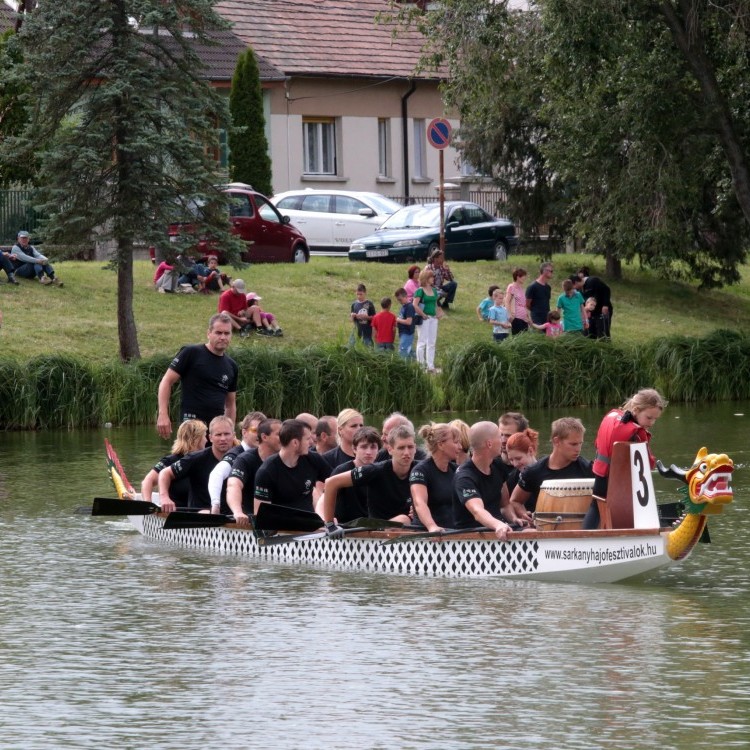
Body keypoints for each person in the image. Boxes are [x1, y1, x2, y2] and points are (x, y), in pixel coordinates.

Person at [583, 388, 667, 528]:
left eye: (655, 419)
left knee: (596, 508)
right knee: (632, 509)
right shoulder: (637, 433)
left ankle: (585, 540)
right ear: (636, 409)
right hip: (619, 482)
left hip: (600, 474)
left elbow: (597, 443)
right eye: (649, 417)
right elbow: (649, 463)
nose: (651, 423)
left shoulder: (611, 417)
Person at [156, 313, 238, 438]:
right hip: (191, 426)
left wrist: (229, 431)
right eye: (218, 333)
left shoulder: (232, 365)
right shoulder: (191, 353)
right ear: (209, 333)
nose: (223, 337)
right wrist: (163, 414)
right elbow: (166, 381)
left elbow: (230, 404)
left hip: (216, 431)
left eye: (227, 333)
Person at [321, 423, 418, 525]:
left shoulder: (421, 469)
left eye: (410, 447)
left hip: (405, 529)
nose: (407, 453)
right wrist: (329, 523)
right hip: (374, 532)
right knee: (403, 520)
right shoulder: (375, 470)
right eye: (401, 448)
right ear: (390, 449)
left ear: (415, 448)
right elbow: (330, 483)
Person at [509, 417, 593, 515]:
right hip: (545, 527)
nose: (578, 449)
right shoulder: (534, 471)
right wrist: (524, 516)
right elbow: (515, 501)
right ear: (556, 441)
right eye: (573, 444)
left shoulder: (588, 468)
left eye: (580, 444)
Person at [452, 421, 520, 539]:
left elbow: (504, 506)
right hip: (472, 538)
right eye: (500, 437)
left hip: (498, 530)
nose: (504, 441)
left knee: (529, 529)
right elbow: (478, 511)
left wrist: (514, 519)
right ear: (489, 444)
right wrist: (498, 525)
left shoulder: (498, 466)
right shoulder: (464, 477)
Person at [158, 415, 237, 511]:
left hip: (233, 515)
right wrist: (164, 497)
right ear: (210, 438)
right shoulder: (195, 458)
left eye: (227, 434)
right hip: (200, 516)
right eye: (218, 435)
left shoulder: (242, 457)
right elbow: (165, 473)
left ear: (233, 435)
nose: (223, 439)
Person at [253, 418, 332, 514]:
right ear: (295, 443)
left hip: (310, 524)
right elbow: (260, 514)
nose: (311, 442)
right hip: (281, 526)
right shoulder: (267, 471)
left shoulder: (313, 459)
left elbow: (334, 481)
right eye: (307, 439)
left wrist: (326, 515)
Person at [225, 418, 282, 525]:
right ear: (264, 437)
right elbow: (233, 485)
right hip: (249, 522)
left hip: (280, 520)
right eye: (279, 434)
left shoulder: (284, 459)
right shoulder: (245, 459)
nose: (284, 438)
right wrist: (237, 512)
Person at [208, 411, 267, 513]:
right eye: (255, 430)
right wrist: (215, 505)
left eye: (262, 431)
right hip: (234, 520)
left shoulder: (267, 455)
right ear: (244, 433)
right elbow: (216, 474)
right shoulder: (236, 455)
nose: (259, 435)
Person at [321, 426, 382, 523]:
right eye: (364, 447)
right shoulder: (342, 470)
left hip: (372, 527)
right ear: (354, 449)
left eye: (373, 447)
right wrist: (325, 520)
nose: (368, 452)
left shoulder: (382, 471)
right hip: (345, 527)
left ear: (378, 450)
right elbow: (323, 500)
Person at [140, 419, 208, 504]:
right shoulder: (170, 461)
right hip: (175, 512)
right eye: (204, 436)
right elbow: (147, 482)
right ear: (197, 439)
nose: (206, 440)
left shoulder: (206, 460)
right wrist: (147, 504)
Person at [410, 422, 462, 531]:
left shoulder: (457, 470)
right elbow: (420, 503)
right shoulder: (420, 471)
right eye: (456, 442)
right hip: (428, 535)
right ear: (441, 445)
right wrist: (432, 526)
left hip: (453, 532)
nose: (460, 447)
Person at [414, 267, 443, 374]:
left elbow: (435, 304)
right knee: (422, 342)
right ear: (426, 278)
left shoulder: (434, 291)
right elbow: (415, 305)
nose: (433, 279)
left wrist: (439, 313)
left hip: (433, 318)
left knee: (432, 342)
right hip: (424, 319)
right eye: (431, 277)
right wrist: (423, 314)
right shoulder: (420, 291)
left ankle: (430, 365)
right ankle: (421, 366)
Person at [575, 267, 613, 338]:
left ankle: (604, 346)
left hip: (602, 311)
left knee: (603, 333)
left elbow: (606, 289)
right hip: (591, 313)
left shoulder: (593, 281)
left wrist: (605, 305)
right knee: (589, 334)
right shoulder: (579, 290)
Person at [504, 428, 540, 497]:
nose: (515, 464)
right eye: (511, 460)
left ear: (530, 451)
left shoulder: (546, 470)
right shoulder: (511, 479)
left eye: (518, 458)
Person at [526, 261, 553, 329]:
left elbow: (547, 302)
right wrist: (535, 311)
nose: (552, 273)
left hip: (547, 318)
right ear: (544, 271)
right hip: (536, 318)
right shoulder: (532, 287)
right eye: (551, 271)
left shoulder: (548, 287)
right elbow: (527, 304)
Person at [505, 268, 529, 335]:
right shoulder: (511, 287)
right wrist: (509, 314)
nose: (525, 278)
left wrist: (527, 316)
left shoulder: (522, 288)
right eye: (524, 276)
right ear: (518, 277)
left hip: (524, 318)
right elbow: (507, 301)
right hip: (516, 317)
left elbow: (524, 304)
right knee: (517, 337)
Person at [394, 287, 416, 359]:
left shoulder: (409, 307)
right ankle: (419, 363)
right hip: (403, 333)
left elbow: (409, 322)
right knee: (409, 352)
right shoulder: (403, 306)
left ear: (406, 296)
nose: (399, 301)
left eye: (400, 299)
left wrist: (398, 320)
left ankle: (403, 368)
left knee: (402, 352)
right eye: (398, 300)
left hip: (407, 333)